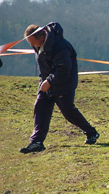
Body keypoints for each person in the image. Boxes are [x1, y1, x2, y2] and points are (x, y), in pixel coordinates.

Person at [20, 23, 99, 154]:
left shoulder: (61, 46)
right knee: (40, 108)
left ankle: (91, 133)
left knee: (68, 111)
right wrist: (44, 82)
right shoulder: (38, 45)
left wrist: (49, 81)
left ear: (41, 38)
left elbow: (64, 70)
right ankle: (36, 142)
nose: (32, 46)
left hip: (64, 83)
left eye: (33, 43)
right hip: (47, 83)